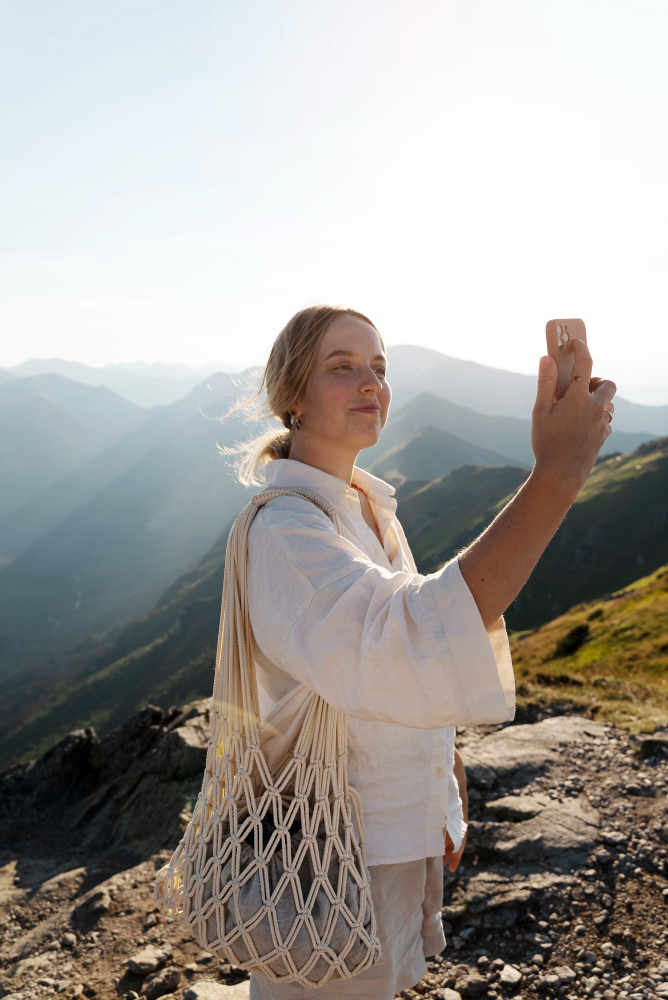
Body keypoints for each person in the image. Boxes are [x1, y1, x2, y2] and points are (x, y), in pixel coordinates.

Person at [224, 304, 615, 999]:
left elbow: (396, 670)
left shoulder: (367, 508)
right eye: (342, 369)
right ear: (293, 397)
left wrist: (446, 778)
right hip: (327, 851)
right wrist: (556, 476)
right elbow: (406, 639)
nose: (371, 383)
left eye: (379, 367)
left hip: (384, 835)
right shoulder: (286, 532)